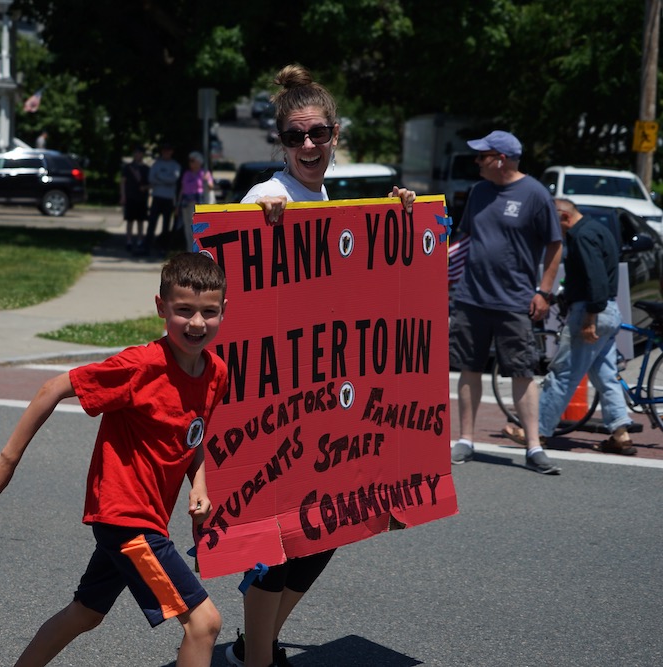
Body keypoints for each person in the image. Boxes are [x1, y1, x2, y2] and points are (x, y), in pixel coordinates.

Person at [226, 63, 416, 667]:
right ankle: (255, 657)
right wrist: (263, 229)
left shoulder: (325, 198)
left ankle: (251, 647)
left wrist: (399, 222)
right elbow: (237, 282)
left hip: (322, 395)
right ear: (280, 142)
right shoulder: (268, 197)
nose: (308, 146)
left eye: (318, 134)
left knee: (325, 530)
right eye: (294, 136)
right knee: (278, 539)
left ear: (336, 135)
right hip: (273, 401)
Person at [0, 251, 229, 667]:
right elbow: (54, 387)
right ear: (161, 307)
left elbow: (192, 436)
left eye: (208, 312)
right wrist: (7, 458)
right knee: (204, 623)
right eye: (184, 310)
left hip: (141, 521)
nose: (197, 323)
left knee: (86, 613)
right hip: (127, 522)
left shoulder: (215, 373)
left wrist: (199, 485)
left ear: (223, 311)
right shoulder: (139, 366)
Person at [448, 130, 564, 474]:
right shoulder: (479, 191)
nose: (477, 162)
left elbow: (554, 245)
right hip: (471, 297)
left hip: (514, 301)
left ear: (500, 159)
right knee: (469, 368)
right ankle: (466, 439)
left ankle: (533, 446)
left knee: (522, 371)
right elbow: (465, 238)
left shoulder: (536, 194)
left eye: (482, 156)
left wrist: (543, 291)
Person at [504, 199, 636, 455]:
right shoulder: (599, 230)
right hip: (609, 310)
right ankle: (621, 433)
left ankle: (538, 430)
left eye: (553, 223)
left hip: (591, 311)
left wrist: (589, 318)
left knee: (563, 373)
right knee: (606, 374)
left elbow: (594, 278)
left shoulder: (581, 236)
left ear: (564, 217)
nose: (552, 231)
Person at [145, 142, 182, 255]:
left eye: (168, 150)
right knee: (152, 222)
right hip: (157, 197)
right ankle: (147, 246)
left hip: (169, 198)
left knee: (166, 225)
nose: (166, 153)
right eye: (164, 150)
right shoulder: (156, 164)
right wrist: (165, 179)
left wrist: (159, 177)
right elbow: (151, 179)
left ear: (171, 152)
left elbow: (174, 179)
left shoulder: (175, 165)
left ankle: (163, 247)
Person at [177, 151, 215, 251]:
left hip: (199, 203)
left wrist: (207, 180)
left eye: (193, 161)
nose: (191, 163)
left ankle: (198, 250)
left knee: (197, 228)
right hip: (186, 203)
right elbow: (182, 189)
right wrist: (178, 205)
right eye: (190, 161)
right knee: (187, 227)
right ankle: (189, 249)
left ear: (199, 162)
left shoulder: (205, 173)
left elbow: (211, 187)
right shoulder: (187, 174)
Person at [120, 146, 151, 252]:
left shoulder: (146, 169)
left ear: (142, 155)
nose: (137, 155)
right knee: (129, 220)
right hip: (130, 196)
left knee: (140, 221)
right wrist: (123, 195)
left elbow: (150, 184)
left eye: (139, 153)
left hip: (142, 198)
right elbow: (123, 182)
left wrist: (145, 188)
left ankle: (140, 240)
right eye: (135, 153)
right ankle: (128, 241)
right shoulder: (128, 167)